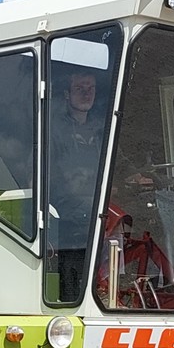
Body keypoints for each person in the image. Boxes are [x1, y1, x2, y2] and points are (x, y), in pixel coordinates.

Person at [48, 70, 107, 300]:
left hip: (97, 213)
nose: (86, 94)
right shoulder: (54, 131)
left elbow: (119, 163)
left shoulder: (103, 131)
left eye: (90, 89)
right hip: (68, 220)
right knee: (73, 284)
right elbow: (47, 176)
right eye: (79, 89)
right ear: (66, 94)